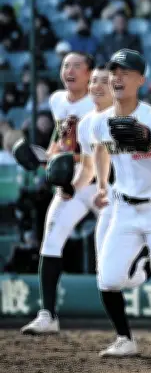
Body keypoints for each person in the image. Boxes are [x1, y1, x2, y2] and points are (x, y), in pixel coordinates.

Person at [91, 49, 151, 364]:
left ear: (141, 80)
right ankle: (124, 339)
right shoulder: (101, 121)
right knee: (107, 279)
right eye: (114, 71)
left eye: (126, 72)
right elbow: (101, 149)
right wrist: (102, 184)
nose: (117, 77)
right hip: (124, 209)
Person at [20, 52, 96, 336]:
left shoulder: (100, 101)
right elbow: (62, 137)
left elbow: (101, 150)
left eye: (77, 65)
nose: (70, 70)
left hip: (104, 184)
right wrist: (47, 157)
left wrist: (66, 161)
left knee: (123, 249)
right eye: (66, 65)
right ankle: (48, 314)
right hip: (71, 187)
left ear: (89, 73)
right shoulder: (56, 100)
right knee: (50, 241)